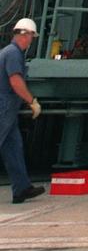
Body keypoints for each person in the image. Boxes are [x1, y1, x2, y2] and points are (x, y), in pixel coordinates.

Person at [0, 18, 44, 204]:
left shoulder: (10, 52)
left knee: (13, 148)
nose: (31, 41)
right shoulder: (13, 53)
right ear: (24, 35)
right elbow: (15, 81)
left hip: (8, 107)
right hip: (3, 105)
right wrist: (31, 101)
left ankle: (21, 188)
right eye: (31, 37)